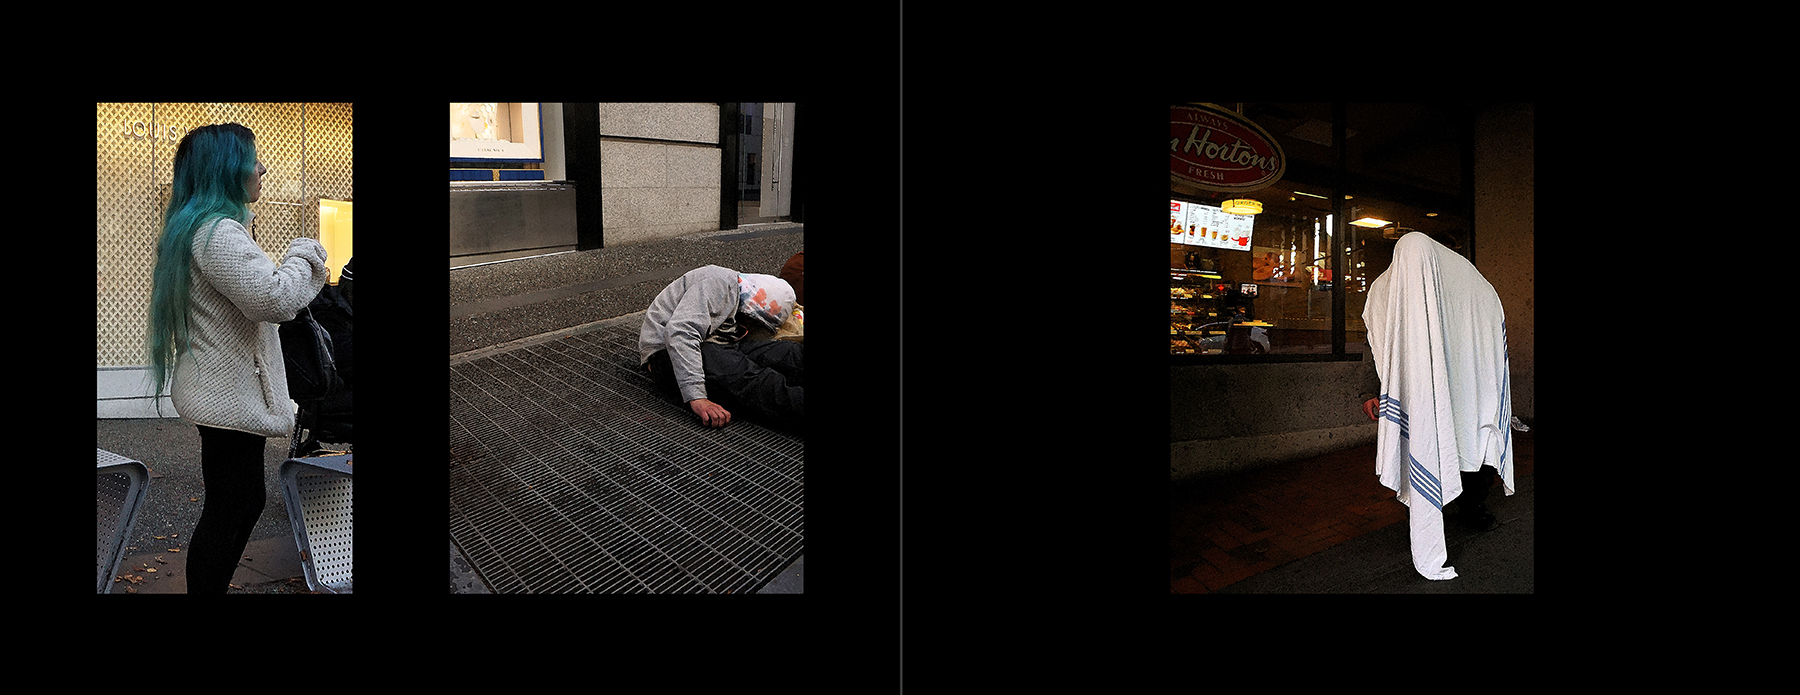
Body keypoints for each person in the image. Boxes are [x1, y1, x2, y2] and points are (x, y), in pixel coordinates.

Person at [145, 123, 329, 594]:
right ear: (226, 170)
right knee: (232, 506)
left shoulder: (198, 228)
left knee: (239, 502)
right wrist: (306, 252)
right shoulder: (217, 232)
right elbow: (274, 298)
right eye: (252, 160)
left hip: (220, 392)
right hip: (227, 396)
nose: (262, 168)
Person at [1360, 231, 1515, 581]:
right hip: (1424, 387)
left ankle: (1471, 505)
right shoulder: (1388, 286)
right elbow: (1379, 339)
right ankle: (1431, 508)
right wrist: (1371, 390)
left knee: (1470, 441)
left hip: (1467, 384)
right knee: (1428, 440)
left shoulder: (1470, 284)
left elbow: (1489, 330)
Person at [638, 265, 803, 431]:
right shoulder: (718, 283)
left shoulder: (739, 291)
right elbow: (681, 333)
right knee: (751, 379)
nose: (750, 327)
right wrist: (697, 397)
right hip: (667, 355)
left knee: (789, 352)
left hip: (718, 343)